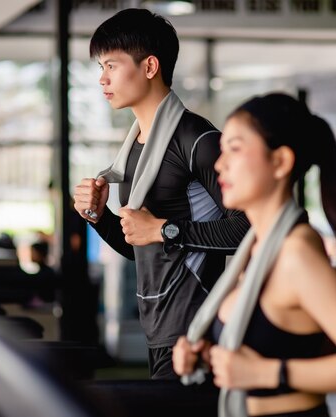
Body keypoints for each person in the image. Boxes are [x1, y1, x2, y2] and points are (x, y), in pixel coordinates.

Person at [172, 92, 336, 417]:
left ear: (280, 162)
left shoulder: (295, 254)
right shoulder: (254, 247)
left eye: (234, 149)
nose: (219, 164)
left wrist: (266, 373)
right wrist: (208, 355)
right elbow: (266, 346)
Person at [73, 8, 249, 380]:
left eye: (111, 66)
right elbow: (142, 249)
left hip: (197, 329)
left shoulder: (198, 139)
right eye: (100, 69)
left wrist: (165, 229)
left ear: (149, 66)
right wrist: (99, 216)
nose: (102, 80)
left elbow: (250, 228)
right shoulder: (136, 146)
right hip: (157, 330)